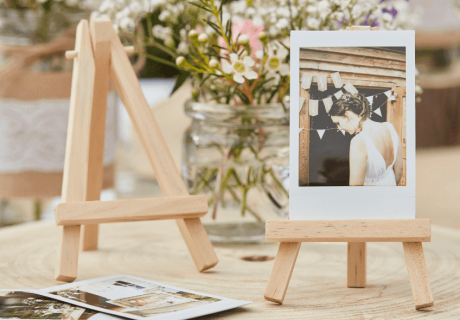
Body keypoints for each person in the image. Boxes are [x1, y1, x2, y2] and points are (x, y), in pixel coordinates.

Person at [329, 92, 403, 186]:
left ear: (347, 115)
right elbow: (399, 169)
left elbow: (356, 187)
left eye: (338, 123)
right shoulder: (390, 127)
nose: (339, 128)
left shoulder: (358, 141)